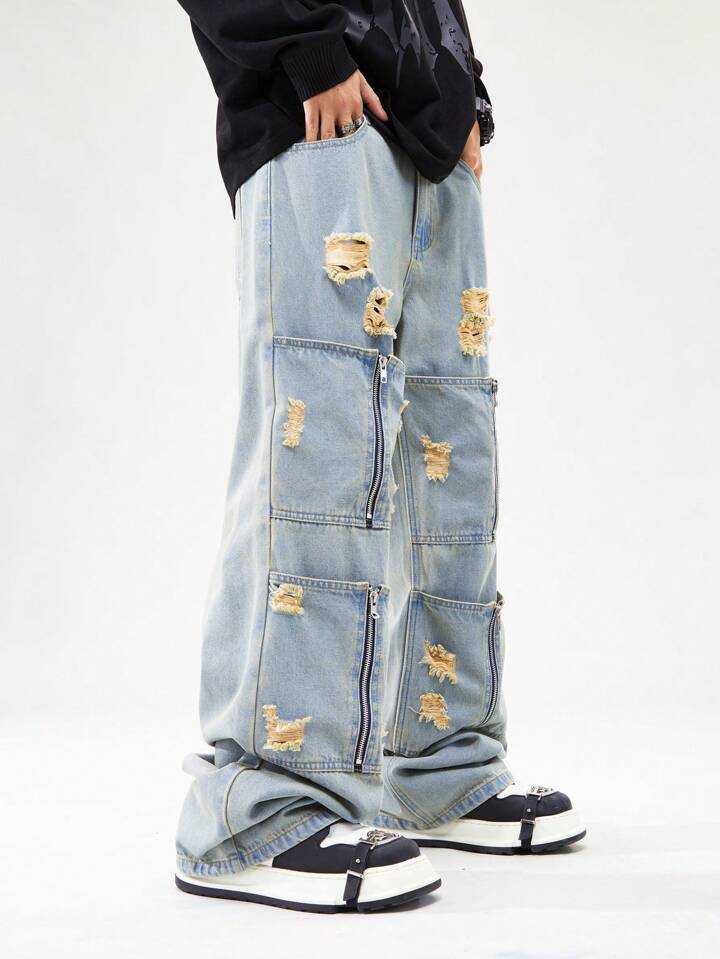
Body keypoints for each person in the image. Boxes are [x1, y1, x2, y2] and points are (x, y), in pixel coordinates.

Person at [173, 0, 585, 913]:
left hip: (432, 129)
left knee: (450, 454)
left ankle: (438, 760)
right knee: (319, 452)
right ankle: (260, 806)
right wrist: (302, 52)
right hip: (319, 106)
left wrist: (468, 94)